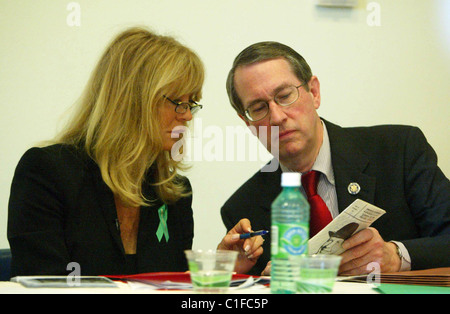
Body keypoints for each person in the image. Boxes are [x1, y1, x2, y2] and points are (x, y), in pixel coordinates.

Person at [7, 27, 262, 277]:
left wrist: (220, 267)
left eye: (191, 103)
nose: (186, 115)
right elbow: (42, 286)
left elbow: (169, 285)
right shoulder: (48, 173)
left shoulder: (174, 193)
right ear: (131, 100)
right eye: (177, 101)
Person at [221, 41, 450, 276]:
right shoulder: (242, 208)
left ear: (315, 92)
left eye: (285, 95)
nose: (277, 117)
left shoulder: (399, 150)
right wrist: (244, 277)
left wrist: (396, 256)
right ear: (248, 123)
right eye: (259, 108)